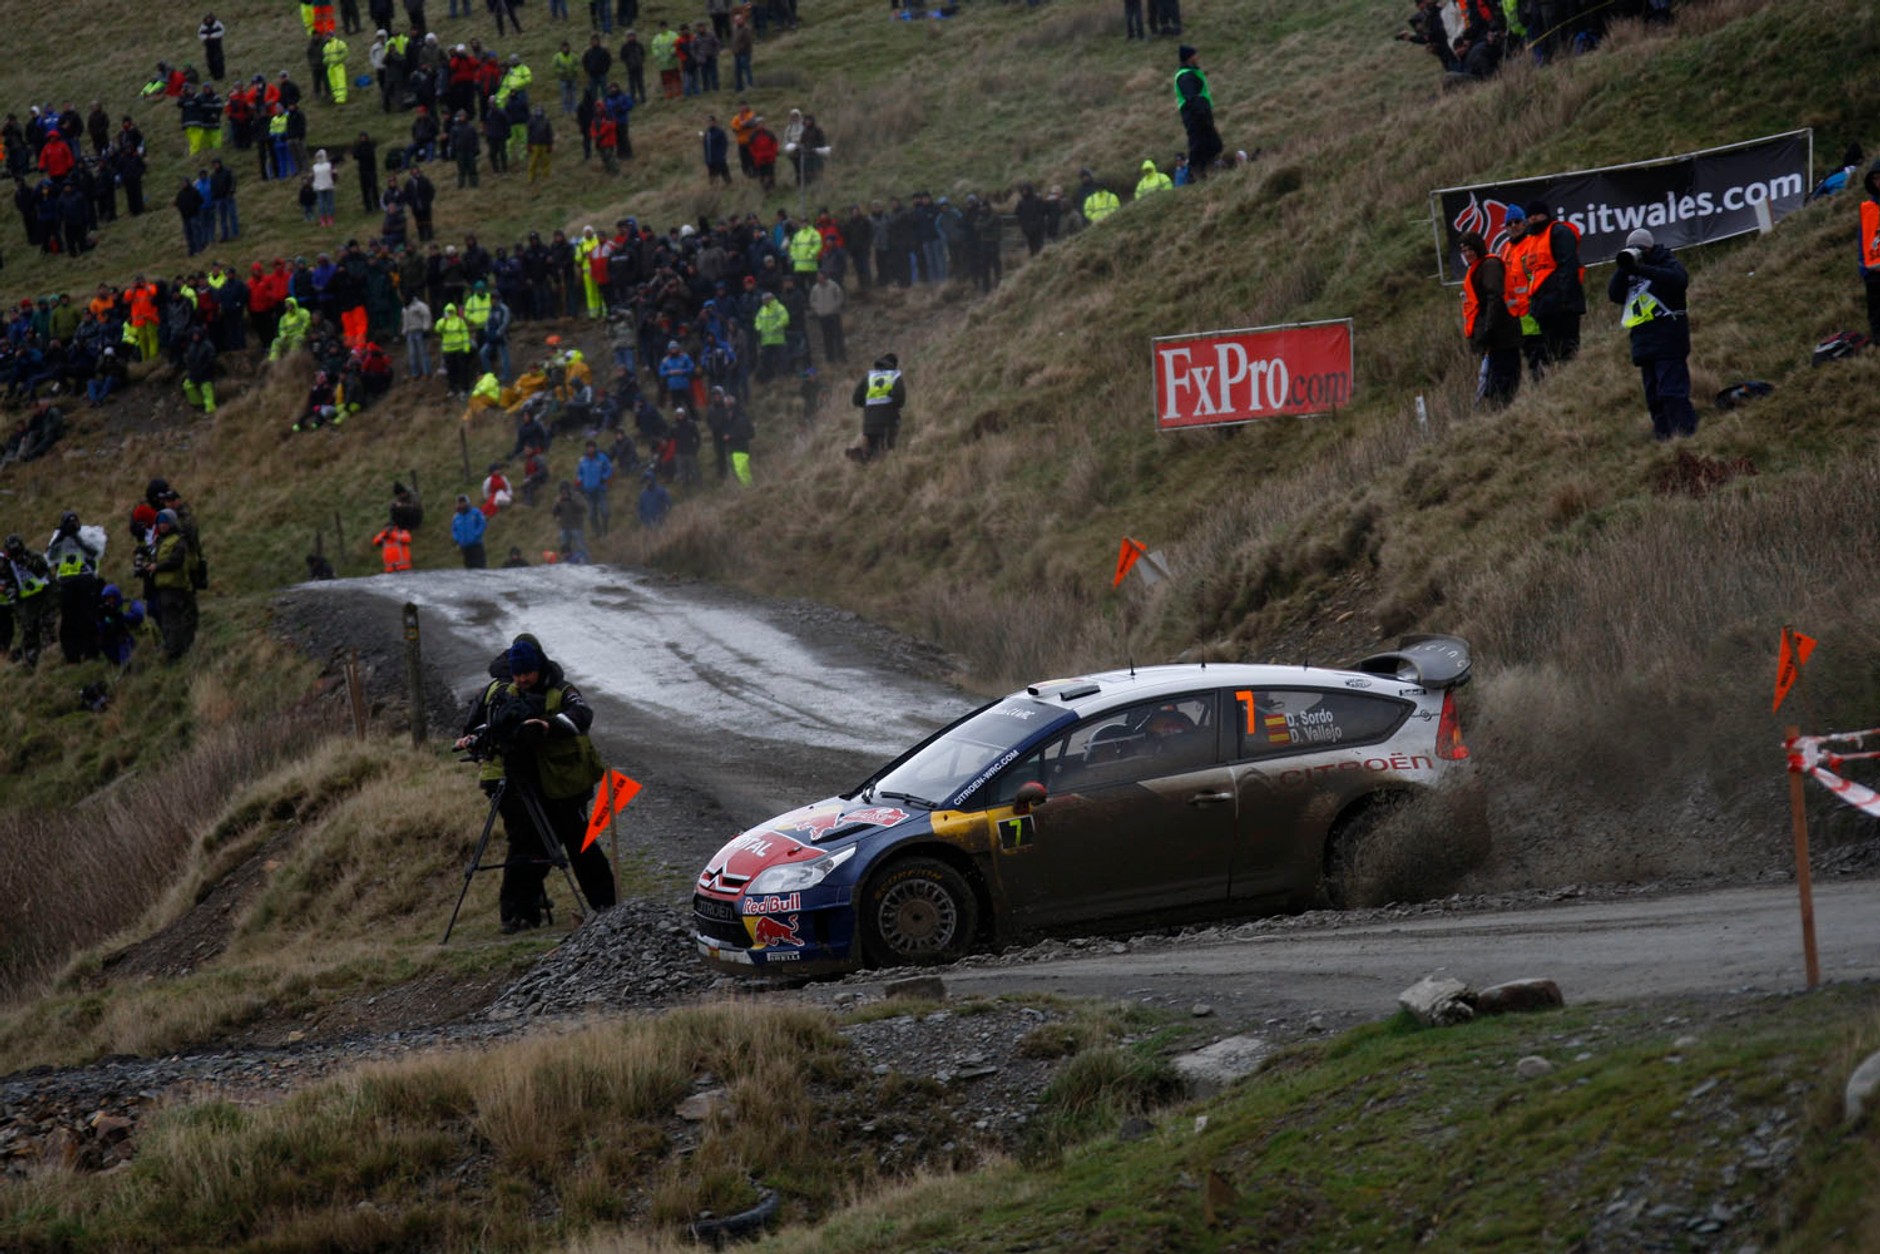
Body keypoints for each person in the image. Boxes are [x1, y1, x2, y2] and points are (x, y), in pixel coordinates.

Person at [453, 632, 615, 932]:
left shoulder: (562, 690)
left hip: (564, 784)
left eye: (527, 672)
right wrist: (477, 740)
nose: (522, 679)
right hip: (526, 783)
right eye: (517, 674)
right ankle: (519, 914)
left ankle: (606, 906)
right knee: (528, 846)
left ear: (539, 667)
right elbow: (490, 726)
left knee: (580, 843)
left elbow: (583, 715)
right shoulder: (506, 695)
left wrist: (547, 725)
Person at [1609, 228, 1697, 441]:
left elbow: (1679, 280)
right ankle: (1665, 440)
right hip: (1644, 342)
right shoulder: (1630, 271)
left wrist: (1643, 268)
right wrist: (1624, 268)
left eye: (1638, 249)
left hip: (1669, 338)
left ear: (1649, 248)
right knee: (1654, 397)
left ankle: (1686, 437)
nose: (1634, 252)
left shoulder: (1666, 261)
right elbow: (1614, 294)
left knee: (1672, 392)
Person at [1458, 230, 1520, 407]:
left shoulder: (1490, 265)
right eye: (1464, 251)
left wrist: (1488, 329)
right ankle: (1499, 411)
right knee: (1493, 383)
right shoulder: (1478, 268)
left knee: (1503, 381)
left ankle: (1504, 411)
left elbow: (1495, 298)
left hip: (1501, 334)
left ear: (1478, 248)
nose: (1467, 254)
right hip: (1491, 336)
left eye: (1470, 249)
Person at [1522, 202, 1585, 367]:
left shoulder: (1559, 232)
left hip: (1562, 305)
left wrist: (1564, 299)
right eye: (1529, 216)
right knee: (1551, 353)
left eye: (1536, 214)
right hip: (1544, 306)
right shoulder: (1533, 238)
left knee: (1567, 352)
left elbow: (1568, 266)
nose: (1533, 218)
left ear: (1546, 214)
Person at [45, 511, 103, 665]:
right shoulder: (58, 536)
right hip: (66, 582)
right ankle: (72, 656)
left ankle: (92, 653)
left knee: (88, 617)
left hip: (85, 579)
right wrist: (60, 537)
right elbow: (50, 557)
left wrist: (77, 538)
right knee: (69, 622)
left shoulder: (87, 533)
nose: (72, 526)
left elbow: (96, 552)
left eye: (74, 522)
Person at [149, 509, 198, 661]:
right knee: (168, 621)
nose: (162, 526)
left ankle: (176, 651)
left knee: (174, 620)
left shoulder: (178, 540)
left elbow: (176, 561)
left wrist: (156, 567)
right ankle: (174, 649)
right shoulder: (159, 541)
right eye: (160, 523)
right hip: (163, 587)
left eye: (165, 523)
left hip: (176, 586)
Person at [3, 535, 53, 669]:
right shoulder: (8, 566)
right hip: (25, 606)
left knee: (48, 632)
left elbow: (46, 574)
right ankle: (31, 664)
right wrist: (12, 593)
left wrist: (28, 563)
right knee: (30, 637)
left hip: (43, 601)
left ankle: (51, 661)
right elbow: (8, 584)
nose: (17, 558)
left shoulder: (34, 557)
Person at [1175, 46, 1223, 179]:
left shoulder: (1191, 73)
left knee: (1211, 143)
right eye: (1195, 55)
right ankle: (1195, 174)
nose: (1198, 57)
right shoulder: (1185, 77)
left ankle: (1206, 170)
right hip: (1195, 115)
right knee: (1199, 144)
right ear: (1189, 58)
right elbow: (1192, 98)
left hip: (1199, 114)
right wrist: (1202, 114)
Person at [850, 352, 905, 461]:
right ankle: (873, 462)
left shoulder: (869, 376)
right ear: (894, 365)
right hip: (889, 421)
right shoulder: (894, 376)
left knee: (874, 445)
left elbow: (856, 399)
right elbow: (900, 398)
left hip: (869, 421)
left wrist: (869, 405)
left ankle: (864, 456)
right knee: (886, 449)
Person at [576, 438, 613, 534]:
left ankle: (606, 529)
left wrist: (604, 477)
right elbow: (579, 473)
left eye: (592, 447)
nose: (590, 449)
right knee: (592, 515)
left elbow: (609, 468)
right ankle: (597, 532)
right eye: (588, 447)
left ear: (595, 448)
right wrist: (580, 482)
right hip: (588, 491)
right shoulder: (582, 460)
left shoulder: (602, 458)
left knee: (605, 512)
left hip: (600, 489)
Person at [1861, 161, 1880, 340]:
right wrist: (1863, 269)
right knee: (1875, 315)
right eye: (1875, 179)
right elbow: (1863, 239)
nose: (1878, 182)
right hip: (1873, 271)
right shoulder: (1867, 208)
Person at [452, 492, 489, 566]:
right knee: (468, 568)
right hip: (465, 547)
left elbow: (482, 523)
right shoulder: (456, 517)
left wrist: (476, 534)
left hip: (476, 545)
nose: (462, 504)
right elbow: (454, 530)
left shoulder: (476, 512)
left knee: (480, 567)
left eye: (463, 502)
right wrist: (457, 539)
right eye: (460, 502)